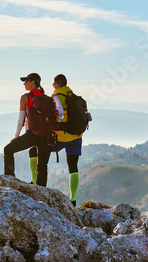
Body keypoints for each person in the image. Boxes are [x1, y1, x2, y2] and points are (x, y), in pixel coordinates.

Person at [3, 73, 50, 187]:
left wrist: (17, 135)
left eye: (26, 81)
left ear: (33, 82)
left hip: (32, 134)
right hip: (46, 135)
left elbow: (21, 120)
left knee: (8, 150)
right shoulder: (46, 98)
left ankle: (10, 180)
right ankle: (42, 189)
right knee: (42, 164)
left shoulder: (26, 97)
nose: (24, 83)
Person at [51, 74, 83, 207]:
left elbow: (56, 116)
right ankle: (73, 199)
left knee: (38, 151)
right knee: (73, 167)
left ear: (57, 84)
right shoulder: (74, 97)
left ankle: (37, 185)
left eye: (53, 85)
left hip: (61, 136)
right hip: (77, 136)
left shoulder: (56, 97)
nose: (53, 87)